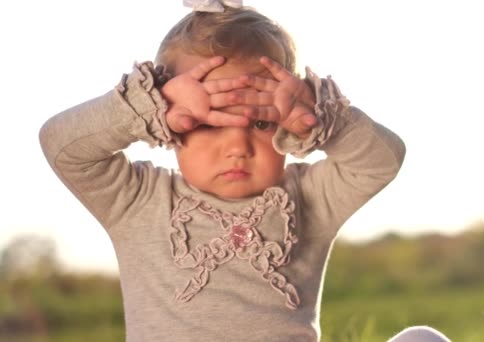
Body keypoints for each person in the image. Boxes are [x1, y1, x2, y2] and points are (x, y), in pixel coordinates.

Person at [39, 1, 450, 341]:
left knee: (422, 339)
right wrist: (150, 107)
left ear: (285, 125)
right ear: (171, 126)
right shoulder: (137, 201)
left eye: (260, 123)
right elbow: (62, 145)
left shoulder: (308, 199)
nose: (237, 147)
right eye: (211, 124)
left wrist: (319, 117)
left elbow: (382, 160)